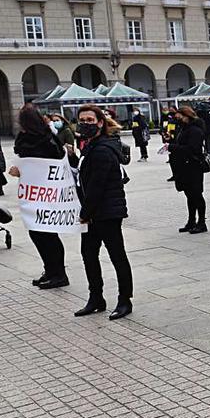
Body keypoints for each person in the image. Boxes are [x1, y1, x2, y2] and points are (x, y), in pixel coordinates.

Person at [71, 104, 132, 320]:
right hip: (94, 212)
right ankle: (95, 297)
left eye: (90, 120)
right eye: (82, 120)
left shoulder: (103, 149)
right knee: (88, 254)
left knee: (117, 256)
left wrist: (84, 213)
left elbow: (97, 186)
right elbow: (83, 176)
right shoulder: (90, 146)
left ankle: (125, 300)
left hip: (107, 212)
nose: (85, 124)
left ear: (99, 122)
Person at [10, 103, 71, 289]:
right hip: (35, 192)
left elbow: (52, 161)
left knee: (47, 234)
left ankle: (59, 273)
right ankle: (51, 270)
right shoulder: (32, 137)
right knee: (38, 233)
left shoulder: (45, 138)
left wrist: (22, 170)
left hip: (45, 192)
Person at [169, 106, 208, 234]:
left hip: (194, 167)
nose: (177, 118)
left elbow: (192, 149)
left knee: (196, 195)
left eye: (179, 116)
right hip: (184, 167)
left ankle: (201, 223)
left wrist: (172, 147)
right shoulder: (184, 128)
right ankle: (191, 221)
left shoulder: (195, 130)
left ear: (186, 116)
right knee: (189, 195)